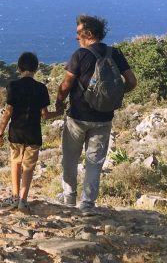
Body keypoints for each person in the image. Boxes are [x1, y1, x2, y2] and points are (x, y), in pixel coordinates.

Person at [55, 15, 137, 211]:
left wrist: (59, 102)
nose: (76, 37)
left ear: (88, 33)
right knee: (94, 162)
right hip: (104, 117)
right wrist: (114, 95)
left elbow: (66, 84)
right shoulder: (115, 53)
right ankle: (87, 204)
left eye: (79, 33)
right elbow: (132, 82)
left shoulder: (80, 55)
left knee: (70, 158)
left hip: (78, 116)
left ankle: (69, 197)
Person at [0, 52, 65, 212]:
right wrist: (59, 112)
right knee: (28, 167)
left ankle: (14, 196)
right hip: (34, 133)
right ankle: (23, 200)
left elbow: (8, 112)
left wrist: (0, 133)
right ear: (36, 68)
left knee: (15, 163)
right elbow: (45, 115)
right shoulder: (41, 88)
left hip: (16, 132)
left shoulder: (13, 85)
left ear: (19, 68)